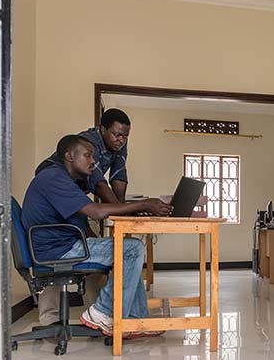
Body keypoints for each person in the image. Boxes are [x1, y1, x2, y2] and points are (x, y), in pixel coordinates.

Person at [22, 134, 173, 338]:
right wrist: (145, 204)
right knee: (131, 248)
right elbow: (96, 212)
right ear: (69, 156)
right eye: (87, 155)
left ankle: (135, 319)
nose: (93, 161)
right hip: (58, 250)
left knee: (127, 249)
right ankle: (103, 312)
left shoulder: (64, 179)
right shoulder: (54, 178)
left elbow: (82, 218)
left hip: (63, 244)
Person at [35, 108, 132, 324]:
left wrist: (122, 208)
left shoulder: (119, 145)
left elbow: (119, 179)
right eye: (117, 134)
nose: (121, 140)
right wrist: (124, 211)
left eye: (125, 136)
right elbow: (99, 183)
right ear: (103, 129)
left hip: (78, 200)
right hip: (60, 195)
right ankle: (49, 318)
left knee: (94, 249)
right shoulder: (87, 144)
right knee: (59, 246)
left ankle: (98, 313)